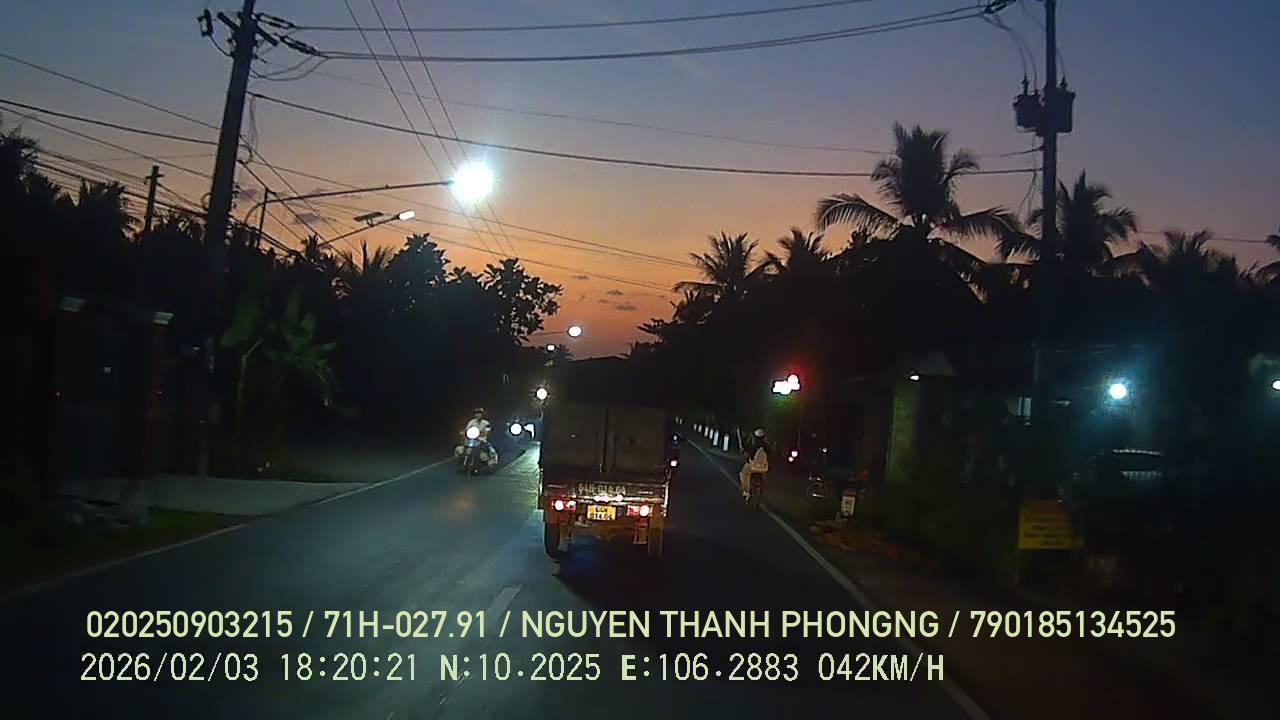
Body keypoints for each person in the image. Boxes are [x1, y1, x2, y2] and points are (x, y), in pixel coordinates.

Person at [740, 427, 771, 500]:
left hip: (753, 467)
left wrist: (743, 451)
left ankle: (746, 491)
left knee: (743, 474)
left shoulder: (753, 445)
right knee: (765, 474)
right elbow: (770, 455)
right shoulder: (767, 446)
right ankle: (762, 487)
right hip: (764, 468)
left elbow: (747, 453)